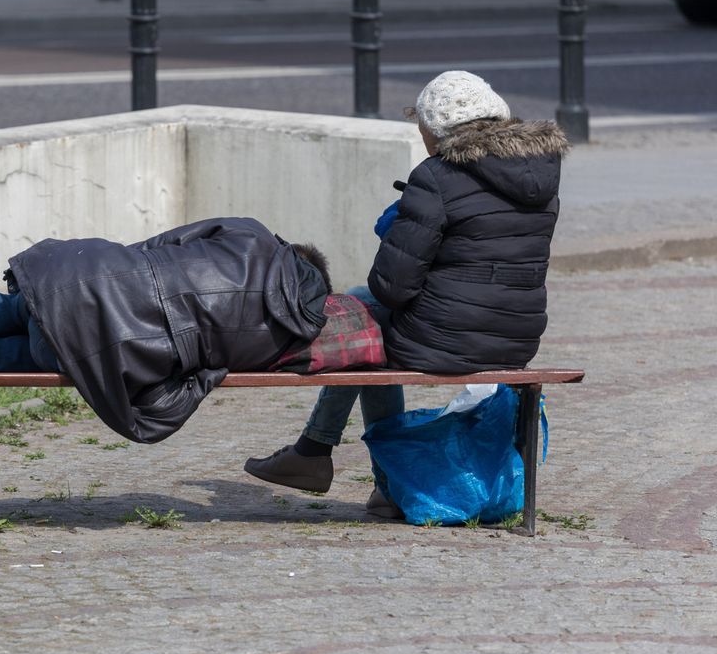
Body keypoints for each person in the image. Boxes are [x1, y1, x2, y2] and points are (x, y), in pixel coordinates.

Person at [244, 71, 569, 514]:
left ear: (440, 132)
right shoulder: (542, 179)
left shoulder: (437, 177)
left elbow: (392, 287)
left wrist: (401, 224)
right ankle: (317, 456)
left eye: (425, 135)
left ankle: (351, 468)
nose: (425, 144)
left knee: (363, 327)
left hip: (445, 341)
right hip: (516, 339)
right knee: (369, 318)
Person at [0, 217, 332, 444]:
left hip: (85, 280)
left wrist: (110, 275)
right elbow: (207, 372)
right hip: (108, 345)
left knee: (13, 310)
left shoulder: (250, 233)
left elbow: (159, 244)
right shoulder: (283, 336)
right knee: (49, 353)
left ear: (291, 251)